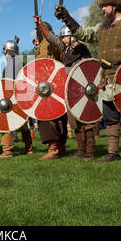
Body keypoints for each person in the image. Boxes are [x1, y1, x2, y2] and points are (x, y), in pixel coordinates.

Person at [55, 0, 121, 163]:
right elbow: (83, 33)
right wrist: (66, 17)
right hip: (106, 79)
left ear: (116, 6)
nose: (102, 9)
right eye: (101, 6)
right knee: (110, 118)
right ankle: (113, 152)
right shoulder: (101, 27)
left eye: (105, 5)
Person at [35, 19, 97, 161]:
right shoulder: (65, 49)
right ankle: (81, 151)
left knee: (86, 122)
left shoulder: (82, 49)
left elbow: (90, 68)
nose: (63, 40)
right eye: (62, 37)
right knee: (75, 123)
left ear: (72, 36)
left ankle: (91, 152)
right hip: (70, 90)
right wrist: (41, 25)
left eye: (65, 37)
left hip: (83, 89)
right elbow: (51, 37)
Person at [30, 20, 68, 160]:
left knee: (46, 116)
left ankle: (53, 148)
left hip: (51, 86)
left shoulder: (49, 42)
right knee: (59, 116)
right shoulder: (44, 44)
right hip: (53, 85)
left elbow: (48, 62)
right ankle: (61, 147)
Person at [0, 37, 34, 158]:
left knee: (7, 123)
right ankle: (29, 148)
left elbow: (9, 84)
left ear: (7, 51)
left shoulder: (12, 63)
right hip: (20, 97)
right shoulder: (19, 61)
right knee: (23, 124)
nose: (3, 53)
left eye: (4, 51)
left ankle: (7, 151)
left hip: (13, 97)